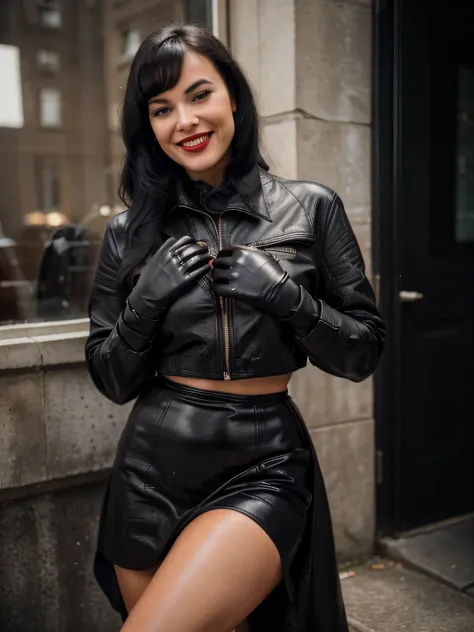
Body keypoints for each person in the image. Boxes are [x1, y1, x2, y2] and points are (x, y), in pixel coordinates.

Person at [85, 23, 385, 632]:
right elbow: (111, 377)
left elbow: (363, 351)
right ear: (149, 127)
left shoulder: (311, 207)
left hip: (264, 463)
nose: (184, 121)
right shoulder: (130, 233)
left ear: (234, 100)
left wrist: (285, 297)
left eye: (199, 94)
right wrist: (144, 302)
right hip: (150, 468)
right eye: (161, 108)